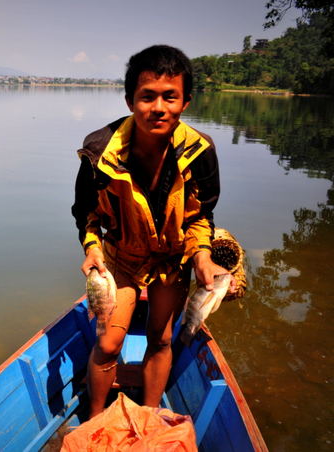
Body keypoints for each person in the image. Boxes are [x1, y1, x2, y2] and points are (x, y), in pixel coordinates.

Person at [71, 44, 236, 417]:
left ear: (186, 101)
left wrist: (203, 256)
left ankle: (148, 416)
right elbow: (86, 213)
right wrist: (92, 248)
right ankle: (96, 419)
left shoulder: (200, 151)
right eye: (147, 96)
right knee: (110, 342)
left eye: (169, 96)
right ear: (130, 100)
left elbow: (201, 215)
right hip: (121, 256)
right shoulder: (99, 151)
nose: (158, 107)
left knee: (161, 339)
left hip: (172, 259)